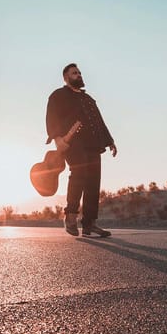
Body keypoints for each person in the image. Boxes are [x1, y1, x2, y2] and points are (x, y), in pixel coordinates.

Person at [45, 63, 117, 237]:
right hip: (73, 142)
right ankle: (70, 216)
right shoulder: (58, 95)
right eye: (74, 73)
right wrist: (57, 138)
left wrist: (110, 141)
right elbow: (51, 116)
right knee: (79, 173)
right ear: (66, 77)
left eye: (79, 72)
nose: (78, 75)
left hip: (93, 143)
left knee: (93, 181)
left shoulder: (89, 100)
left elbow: (99, 121)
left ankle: (89, 224)